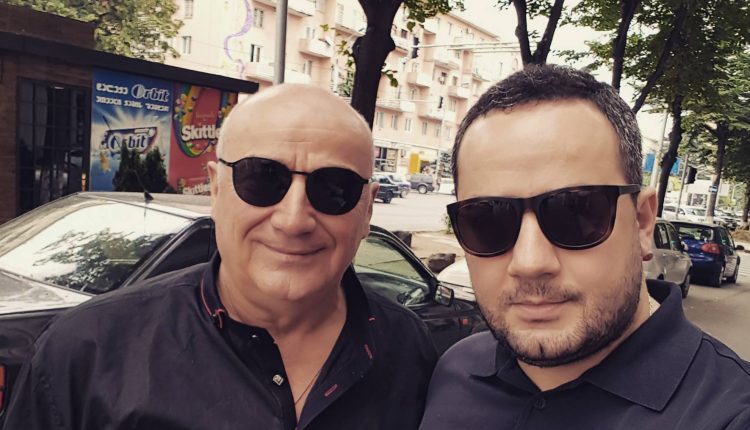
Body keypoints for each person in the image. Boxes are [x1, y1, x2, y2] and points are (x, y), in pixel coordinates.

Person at [3, 84, 437, 430]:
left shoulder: (408, 349)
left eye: (334, 189)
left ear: (367, 209)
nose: (293, 220)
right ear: (215, 188)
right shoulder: (87, 351)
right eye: (262, 178)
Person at [420, 65, 750, 429]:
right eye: (487, 220)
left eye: (575, 212)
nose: (530, 262)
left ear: (642, 223)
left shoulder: (730, 413)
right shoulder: (455, 370)